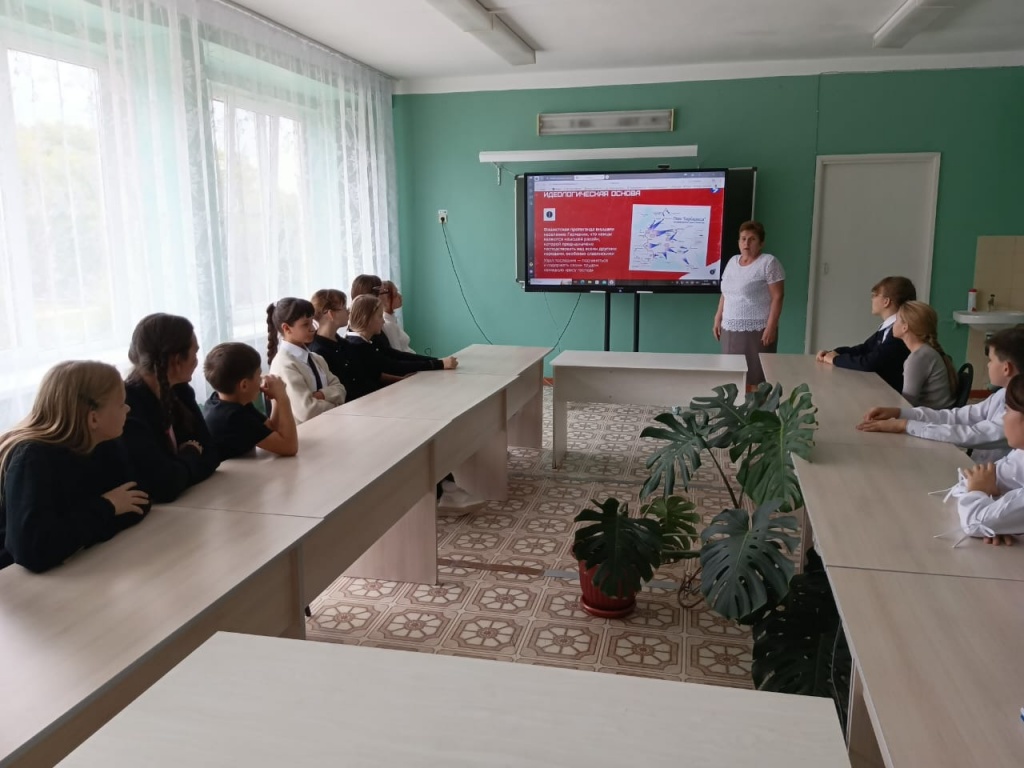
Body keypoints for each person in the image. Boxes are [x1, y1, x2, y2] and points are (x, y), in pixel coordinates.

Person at [0, 361, 149, 572]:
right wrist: (108, 507)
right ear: (93, 418)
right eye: (121, 404)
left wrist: (80, 532)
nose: (128, 408)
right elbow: (33, 550)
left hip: (82, 567)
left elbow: (138, 502)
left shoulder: (105, 441)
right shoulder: (32, 459)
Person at [857, 326, 1024, 463]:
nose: (988, 366)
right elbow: (957, 417)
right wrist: (901, 413)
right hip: (979, 469)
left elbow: (974, 434)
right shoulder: (1002, 394)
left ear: (1006, 368)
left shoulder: (1019, 409)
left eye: (991, 360)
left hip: (996, 480)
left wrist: (906, 426)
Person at [122, 313, 221, 503]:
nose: (197, 361)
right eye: (195, 353)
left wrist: (179, 468)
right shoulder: (128, 406)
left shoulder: (180, 390)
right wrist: (191, 453)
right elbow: (164, 485)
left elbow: (211, 456)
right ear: (176, 361)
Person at [945, 373, 1024, 546]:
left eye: (1007, 410)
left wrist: (989, 512)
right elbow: (967, 482)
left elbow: (974, 523)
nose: (1003, 418)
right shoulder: (1020, 455)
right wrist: (998, 519)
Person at [713, 221, 785, 386]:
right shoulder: (732, 262)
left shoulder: (768, 262)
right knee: (732, 378)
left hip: (757, 331)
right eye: (743, 239)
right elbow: (726, 293)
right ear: (739, 242)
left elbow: (778, 296)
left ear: (761, 243)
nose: (746, 243)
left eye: (752, 239)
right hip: (729, 329)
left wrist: (771, 327)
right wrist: (718, 318)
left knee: (755, 378)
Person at [816, 276, 916, 392]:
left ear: (886, 301)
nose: (871, 299)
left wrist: (836, 359)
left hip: (890, 394)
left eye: (875, 295)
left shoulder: (900, 332)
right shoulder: (888, 328)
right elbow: (864, 349)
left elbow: (870, 363)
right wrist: (835, 352)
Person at [202, 342, 299, 459]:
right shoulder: (232, 417)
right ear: (244, 385)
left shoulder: (224, 399)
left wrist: (276, 398)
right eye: (259, 376)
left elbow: (271, 429)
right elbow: (289, 447)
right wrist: (283, 398)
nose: (261, 379)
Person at [267, 297, 346, 424]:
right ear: (286, 328)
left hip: (328, 425)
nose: (312, 328)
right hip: (305, 432)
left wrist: (320, 395)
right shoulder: (284, 364)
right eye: (305, 324)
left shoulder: (316, 358)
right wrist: (335, 405)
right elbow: (307, 411)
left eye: (312, 322)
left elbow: (341, 390)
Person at [889, 301, 956, 409]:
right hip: (935, 414)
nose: (893, 324)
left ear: (905, 327)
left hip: (931, 417)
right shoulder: (926, 352)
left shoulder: (917, 358)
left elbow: (907, 404)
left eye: (896, 320)